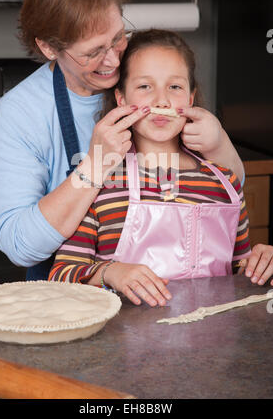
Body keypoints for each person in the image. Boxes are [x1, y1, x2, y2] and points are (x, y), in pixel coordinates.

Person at [0, 0, 246, 282]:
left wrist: (218, 142)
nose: (113, 60)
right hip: (71, 300)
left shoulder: (147, 73)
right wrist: (95, 166)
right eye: (92, 52)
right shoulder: (22, 112)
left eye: (117, 37)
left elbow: (227, 192)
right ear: (49, 48)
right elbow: (20, 247)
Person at [48, 29, 273, 306]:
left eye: (174, 87)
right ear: (121, 99)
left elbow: (238, 273)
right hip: (120, 347)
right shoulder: (100, 182)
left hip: (213, 344)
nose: (161, 100)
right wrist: (110, 272)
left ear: (191, 98)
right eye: (145, 86)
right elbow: (60, 276)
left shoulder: (225, 183)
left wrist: (260, 264)